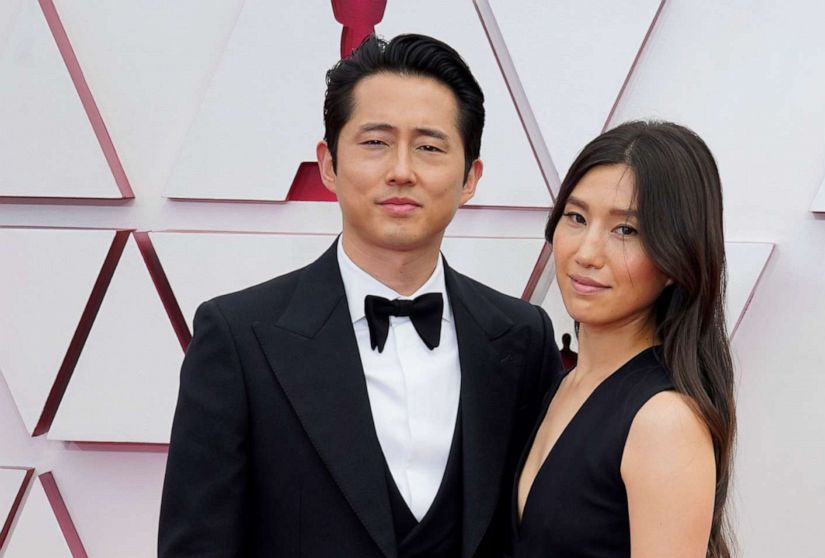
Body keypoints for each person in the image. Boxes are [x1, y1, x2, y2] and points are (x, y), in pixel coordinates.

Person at [158, 34, 561, 558]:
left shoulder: (523, 337)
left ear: (470, 178)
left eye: (430, 147)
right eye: (375, 142)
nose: (401, 170)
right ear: (328, 164)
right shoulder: (237, 337)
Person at [513, 121, 736, 557]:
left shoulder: (664, 420)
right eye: (576, 218)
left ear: (676, 258)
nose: (587, 253)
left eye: (626, 231)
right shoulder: (563, 385)